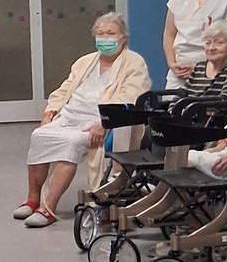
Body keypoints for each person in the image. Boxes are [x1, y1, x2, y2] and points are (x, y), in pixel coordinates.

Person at [15, 12, 150, 227]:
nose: (105, 38)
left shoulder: (134, 63)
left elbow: (131, 98)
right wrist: (51, 110)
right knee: (39, 135)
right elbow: (66, 88)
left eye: (111, 33)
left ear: (123, 37)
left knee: (71, 143)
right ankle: (33, 199)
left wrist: (104, 123)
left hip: (97, 122)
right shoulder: (85, 62)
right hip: (70, 116)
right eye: (100, 33)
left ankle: (48, 207)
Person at [179, 22, 227, 110]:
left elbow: (226, 102)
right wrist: (173, 111)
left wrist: (190, 109)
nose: (211, 48)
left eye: (219, 43)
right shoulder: (199, 67)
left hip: (211, 117)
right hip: (187, 115)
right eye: (208, 43)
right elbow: (181, 94)